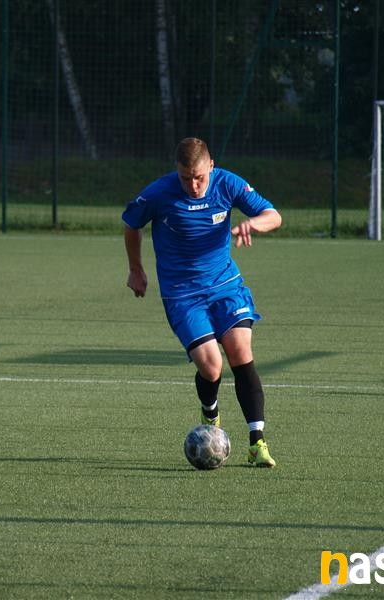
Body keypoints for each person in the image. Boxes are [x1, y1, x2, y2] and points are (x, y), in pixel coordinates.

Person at [122, 137, 282, 467]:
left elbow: (273, 215)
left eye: (199, 177)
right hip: (182, 294)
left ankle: (257, 443)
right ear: (176, 171)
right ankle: (210, 412)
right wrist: (136, 270)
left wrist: (254, 223)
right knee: (211, 367)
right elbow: (131, 224)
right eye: (185, 178)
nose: (193, 186)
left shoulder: (227, 183)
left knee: (240, 351)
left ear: (211, 166)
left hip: (226, 286)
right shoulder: (159, 193)